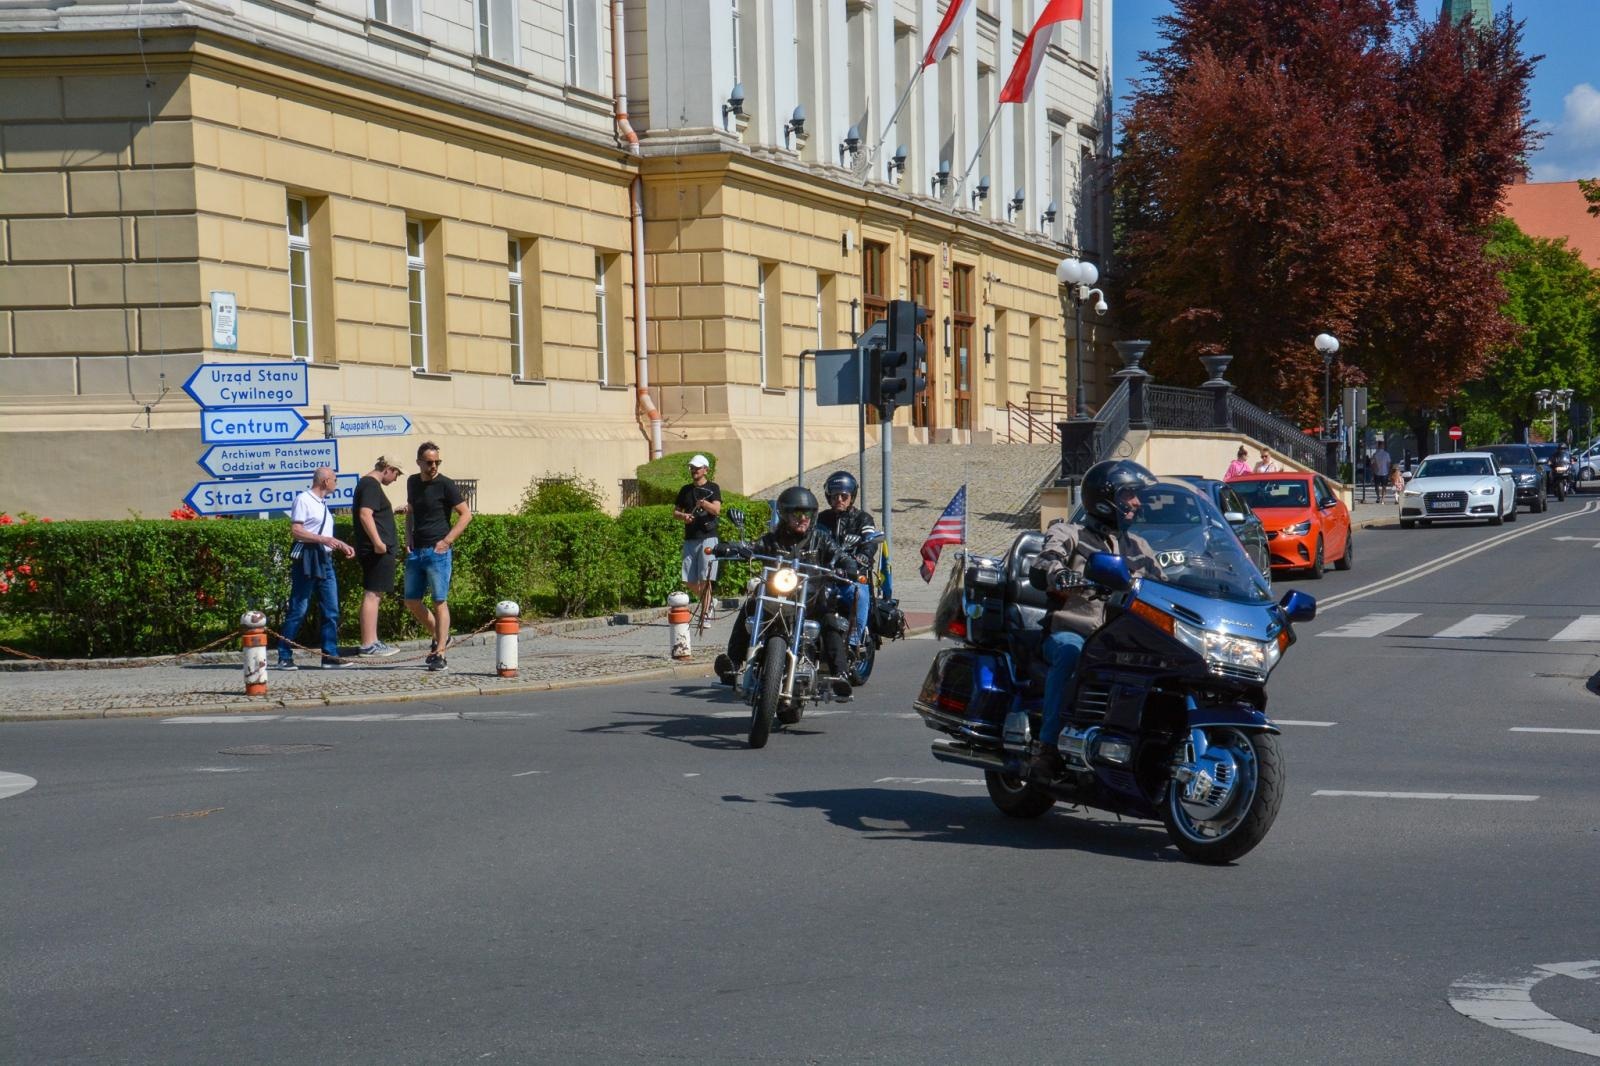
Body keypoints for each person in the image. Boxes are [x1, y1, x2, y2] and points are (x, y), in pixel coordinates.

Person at [1029, 459, 1161, 779]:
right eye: (1129, 494)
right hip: (1073, 630)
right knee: (1071, 654)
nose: (1137, 502)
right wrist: (1058, 574)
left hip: (1120, 636)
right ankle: (1047, 748)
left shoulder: (1137, 545)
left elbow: (1161, 580)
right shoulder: (1069, 532)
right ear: (1105, 498)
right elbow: (1046, 560)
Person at [714, 486, 855, 702]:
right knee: (751, 606)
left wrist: (847, 565)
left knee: (829, 619)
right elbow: (754, 547)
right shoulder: (772, 540)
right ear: (784, 515)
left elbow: (840, 554)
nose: (802, 519)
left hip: (810, 597)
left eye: (806, 514)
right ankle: (733, 662)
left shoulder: (820, 539)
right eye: (797, 514)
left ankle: (841, 674)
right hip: (776, 596)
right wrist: (735, 549)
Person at [277, 466, 356, 670]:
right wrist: (324, 539)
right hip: (308, 558)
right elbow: (297, 530)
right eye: (335, 480)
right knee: (299, 608)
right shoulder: (304, 499)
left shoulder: (322, 504)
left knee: (331, 609)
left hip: (325, 559)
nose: (336, 484)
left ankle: (329, 655)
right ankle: (284, 654)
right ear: (325, 481)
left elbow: (324, 535)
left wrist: (341, 544)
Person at [405, 441, 472, 673]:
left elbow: (466, 514)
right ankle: (441, 637)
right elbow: (411, 510)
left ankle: (440, 653)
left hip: (438, 551)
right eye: (429, 462)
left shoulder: (446, 484)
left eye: (437, 462)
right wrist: (407, 537)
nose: (433, 466)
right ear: (419, 462)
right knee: (411, 600)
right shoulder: (412, 482)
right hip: (416, 550)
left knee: (439, 600)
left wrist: (447, 540)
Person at [816, 470, 877, 647]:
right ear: (829, 497)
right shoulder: (822, 518)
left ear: (852, 497)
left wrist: (863, 556)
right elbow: (813, 539)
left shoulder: (862, 519)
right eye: (835, 496)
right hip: (825, 574)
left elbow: (870, 541)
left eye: (844, 496)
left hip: (851, 574)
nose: (839, 500)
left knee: (860, 595)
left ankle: (854, 638)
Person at [353, 456, 404, 656]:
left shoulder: (368, 485)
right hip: (376, 550)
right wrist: (378, 543)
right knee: (372, 594)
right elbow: (365, 514)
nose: (396, 479)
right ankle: (368, 643)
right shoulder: (370, 485)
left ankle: (372, 640)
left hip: (378, 549)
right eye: (396, 474)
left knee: (375, 594)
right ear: (388, 469)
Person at [673, 455, 722, 622]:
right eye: (692, 468)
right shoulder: (685, 490)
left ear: (705, 470)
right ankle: (709, 602)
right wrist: (684, 516)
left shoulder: (713, 487)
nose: (694, 470)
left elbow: (716, 510)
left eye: (697, 468)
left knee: (705, 578)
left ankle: (705, 615)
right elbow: (675, 512)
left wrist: (704, 504)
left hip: (708, 538)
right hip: (690, 538)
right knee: (688, 579)